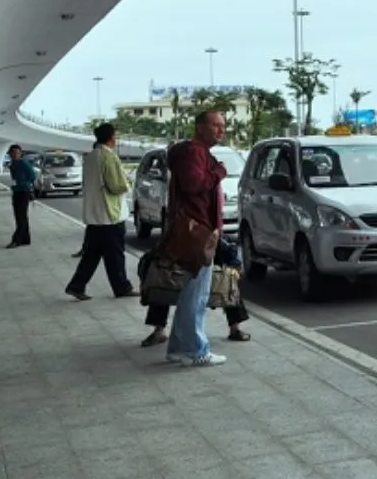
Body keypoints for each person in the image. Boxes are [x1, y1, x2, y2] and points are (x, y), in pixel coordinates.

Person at [164, 110, 228, 367]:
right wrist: (219, 172)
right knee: (196, 294)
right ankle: (195, 350)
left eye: (223, 126)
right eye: (216, 125)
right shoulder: (194, 152)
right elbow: (194, 184)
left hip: (199, 229)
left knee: (192, 292)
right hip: (197, 231)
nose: (221, 130)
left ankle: (179, 348)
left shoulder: (196, 152)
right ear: (200, 127)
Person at [65, 125, 138, 301]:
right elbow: (117, 186)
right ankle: (122, 287)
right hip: (109, 215)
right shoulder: (109, 157)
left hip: (94, 214)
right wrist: (128, 182)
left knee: (91, 254)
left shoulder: (89, 157)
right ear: (111, 138)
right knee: (115, 255)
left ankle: (76, 285)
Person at [142, 237, 250, 347]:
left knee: (229, 280)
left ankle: (235, 328)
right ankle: (159, 330)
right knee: (161, 283)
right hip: (183, 258)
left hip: (201, 249)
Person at [6, 145, 36, 248]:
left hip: (24, 191)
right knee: (20, 216)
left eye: (17, 152)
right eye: (12, 152)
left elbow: (32, 175)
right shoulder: (12, 164)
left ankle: (16, 240)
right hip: (16, 191)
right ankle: (25, 239)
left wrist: (25, 183)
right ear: (9, 154)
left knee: (21, 217)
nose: (14, 154)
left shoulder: (23, 163)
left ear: (20, 153)